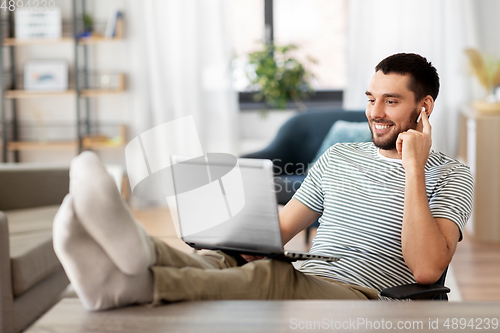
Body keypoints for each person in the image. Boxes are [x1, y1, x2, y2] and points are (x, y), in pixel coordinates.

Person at [53, 53, 473, 311]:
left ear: (424, 108)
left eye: (391, 100)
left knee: (273, 279)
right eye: (370, 98)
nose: (374, 111)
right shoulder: (339, 156)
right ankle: (134, 256)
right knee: (225, 262)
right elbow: (284, 229)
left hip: (370, 297)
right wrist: (233, 239)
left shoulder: (453, 174)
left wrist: (413, 169)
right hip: (310, 275)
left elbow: (426, 269)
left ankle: (130, 283)